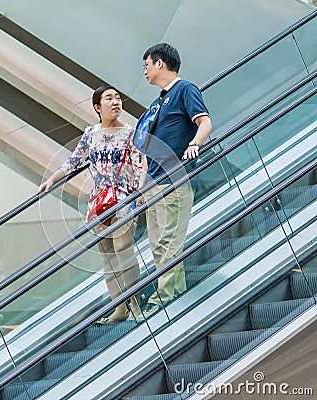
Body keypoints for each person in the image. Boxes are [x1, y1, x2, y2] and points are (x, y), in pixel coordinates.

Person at [36, 85, 146, 324]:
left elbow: (140, 162)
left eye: (118, 97)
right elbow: (74, 160)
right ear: (98, 107)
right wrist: (52, 179)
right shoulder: (91, 133)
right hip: (99, 201)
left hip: (124, 197)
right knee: (107, 257)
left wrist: (140, 190)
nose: (116, 102)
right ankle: (120, 308)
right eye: (109, 98)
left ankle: (136, 304)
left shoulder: (130, 132)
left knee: (123, 250)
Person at [136, 43, 212, 320]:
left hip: (173, 181)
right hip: (154, 183)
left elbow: (204, 122)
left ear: (160, 63)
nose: (144, 71)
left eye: (146, 65)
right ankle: (174, 293)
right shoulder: (159, 100)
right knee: (158, 245)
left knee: (169, 242)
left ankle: (164, 298)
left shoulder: (185, 89)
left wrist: (194, 144)